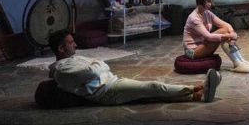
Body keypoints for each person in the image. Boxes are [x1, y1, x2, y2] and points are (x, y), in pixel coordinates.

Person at [48, 30, 220, 104]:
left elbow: (97, 67)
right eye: (71, 43)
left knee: (150, 94)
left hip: (111, 82)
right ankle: (199, 88)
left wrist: (97, 65)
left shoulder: (75, 59)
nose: (75, 45)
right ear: (61, 49)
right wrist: (98, 64)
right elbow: (94, 69)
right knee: (153, 87)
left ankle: (197, 95)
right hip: (107, 92)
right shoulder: (62, 70)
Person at [183, 0, 249, 73]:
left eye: (211, 1)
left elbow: (226, 25)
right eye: (208, 1)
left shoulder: (207, 13)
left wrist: (232, 33)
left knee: (225, 30)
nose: (211, 4)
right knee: (223, 32)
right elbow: (208, 36)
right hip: (192, 51)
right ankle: (237, 63)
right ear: (201, 1)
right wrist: (230, 36)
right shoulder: (194, 18)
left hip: (202, 45)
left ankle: (241, 60)